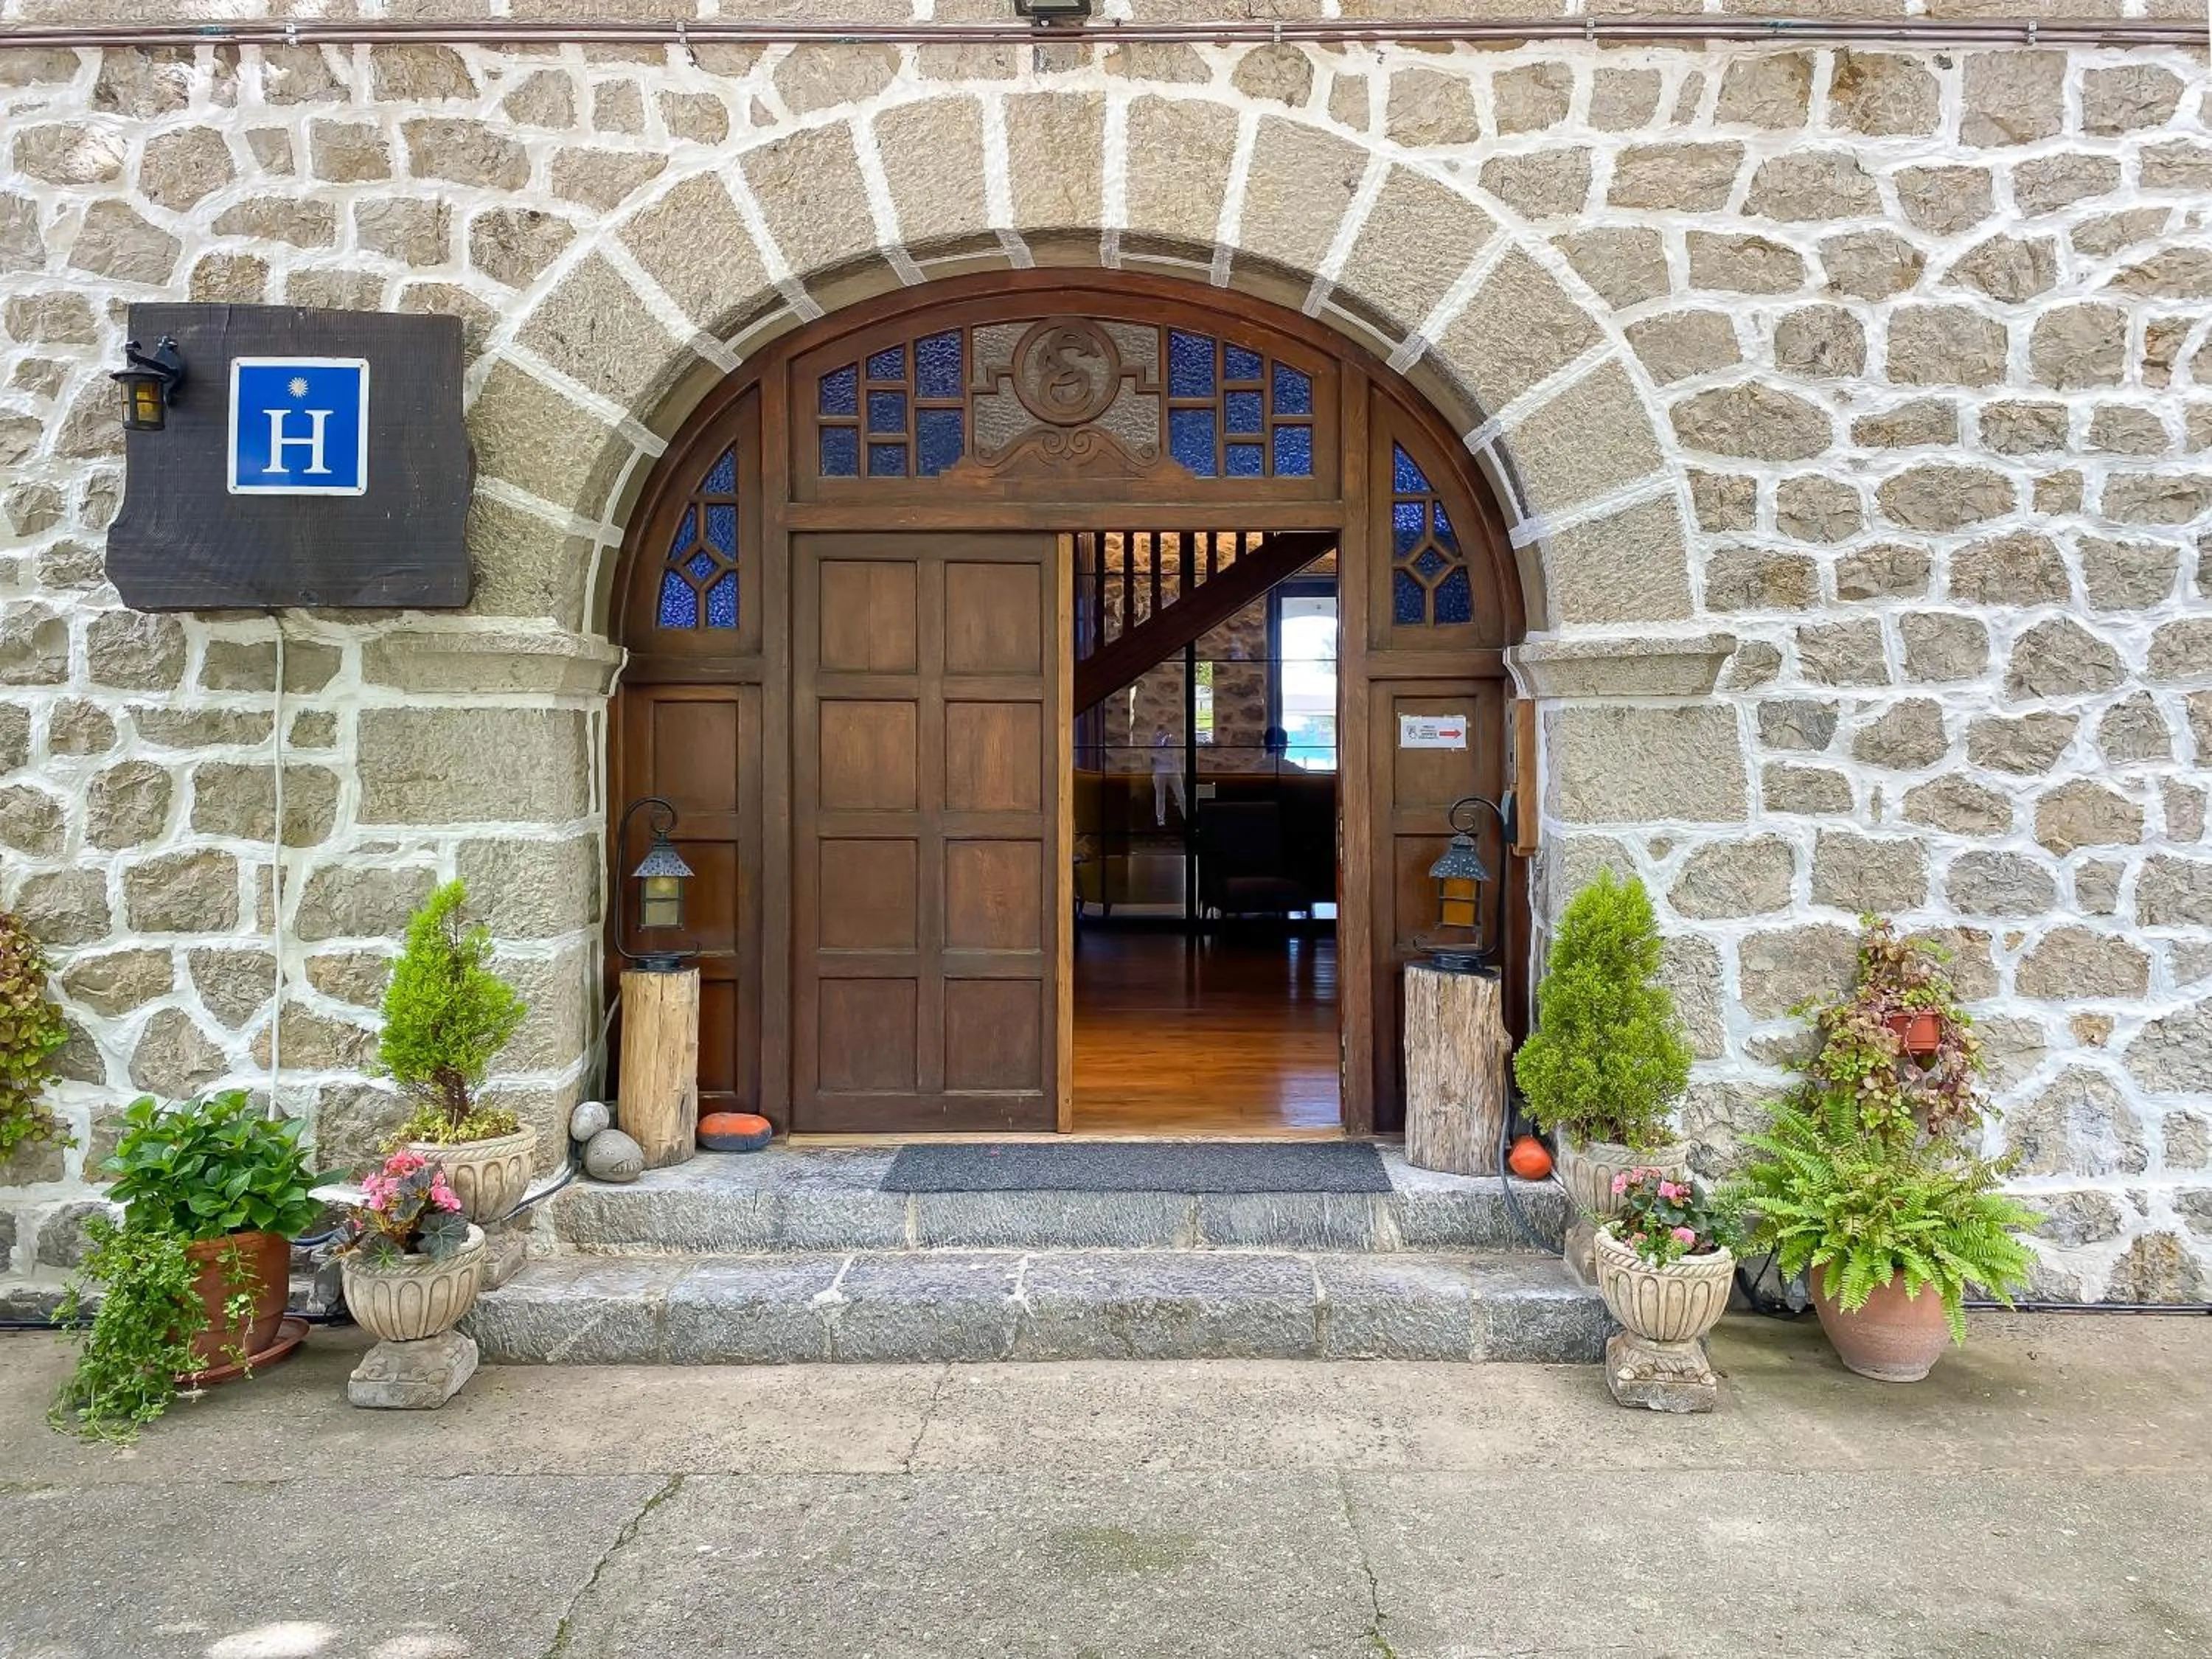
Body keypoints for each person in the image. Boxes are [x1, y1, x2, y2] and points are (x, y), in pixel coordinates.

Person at [1150, 723, 1186, 827]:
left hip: (1170, 770)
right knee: (1164, 796)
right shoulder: (1156, 740)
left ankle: (1162, 820)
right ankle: (1161, 820)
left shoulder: (1170, 739)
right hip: (1162, 771)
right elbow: (1152, 756)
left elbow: (1175, 755)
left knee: (1179, 796)